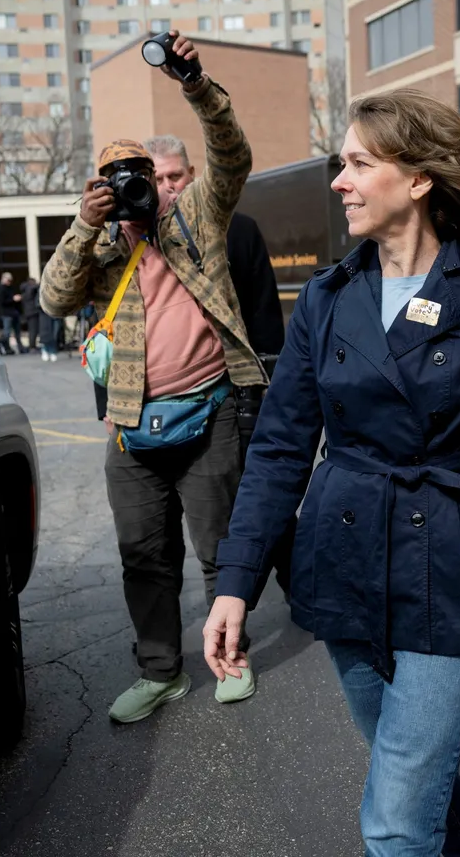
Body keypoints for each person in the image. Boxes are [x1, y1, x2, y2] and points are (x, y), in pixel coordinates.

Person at [204, 89, 460, 857]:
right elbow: (279, 450)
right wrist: (235, 582)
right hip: (342, 558)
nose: (339, 181)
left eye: (357, 163)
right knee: (403, 763)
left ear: (417, 178)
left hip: (452, 562)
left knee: (396, 822)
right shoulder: (326, 299)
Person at [39, 33, 268, 723]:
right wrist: (84, 226)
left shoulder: (194, 215)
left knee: (218, 551)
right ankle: (161, 672)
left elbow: (232, 154)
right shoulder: (102, 244)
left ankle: (230, 657)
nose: (137, 188)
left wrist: (194, 82)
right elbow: (54, 300)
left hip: (210, 412)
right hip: (130, 427)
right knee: (144, 556)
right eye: (118, 180)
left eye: (142, 174)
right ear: (100, 189)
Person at [143, 133, 292, 596]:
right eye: (157, 178)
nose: (168, 186)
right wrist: (106, 403)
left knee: (261, 501)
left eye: (175, 175)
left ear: (192, 175)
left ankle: (299, 588)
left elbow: (264, 317)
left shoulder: (239, 230)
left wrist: (269, 393)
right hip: (157, 413)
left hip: (236, 399)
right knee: (167, 528)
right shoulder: (134, 239)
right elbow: (110, 329)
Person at [0, 271, 21, 355]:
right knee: (7, 333)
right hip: (6, 313)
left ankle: (19, 348)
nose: (9, 282)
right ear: (3, 279)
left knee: (17, 332)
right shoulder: (1, 289)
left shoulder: (10, 288)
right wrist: (13, 299)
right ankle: (2, 345)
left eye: (10, 280)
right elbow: (2, 301)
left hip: (14, 313)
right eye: (8, 280)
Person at [20, 276, 41, 355]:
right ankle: (32, 347)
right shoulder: (30, 289)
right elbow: (35, 287)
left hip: (29, 312)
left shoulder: (25, 290)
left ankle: (32, 346)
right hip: (32, 312)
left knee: (32, 330)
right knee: (33, 331)